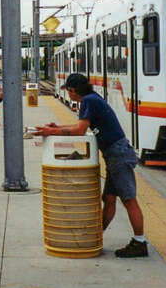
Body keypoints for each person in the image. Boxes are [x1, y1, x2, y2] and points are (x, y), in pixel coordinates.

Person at [34, 73, 148, 258]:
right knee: (109, 198)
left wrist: (52, 131)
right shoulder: (92, 99)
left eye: (68, 91)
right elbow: (82, 126)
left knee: (128, 199)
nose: (68, 95)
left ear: (73, 91)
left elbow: (79, 130)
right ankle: (96, 235)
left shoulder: (88, 101)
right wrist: (58, 127)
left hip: (118, 154)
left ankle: (140, 242)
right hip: (114, 155)